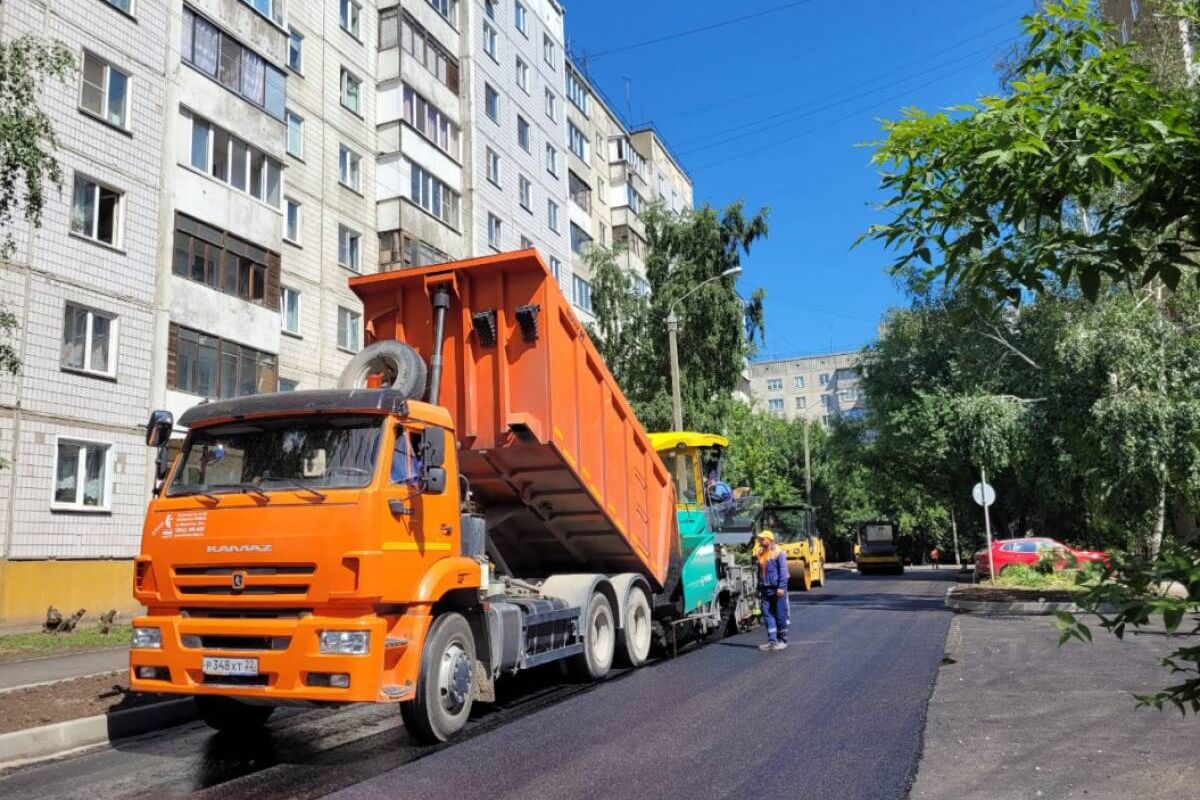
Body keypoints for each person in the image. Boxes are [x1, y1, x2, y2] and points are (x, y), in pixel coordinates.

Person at [756, 530, 789, 652]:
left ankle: (782, 640)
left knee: (780, 614)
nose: (760, 541)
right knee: (767, 614)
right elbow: (759, 573)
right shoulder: (761, 553)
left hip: (777, 589)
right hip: (765, 589)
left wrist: (781, 587)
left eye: (762, 539)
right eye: (759, 539)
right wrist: (758, 587)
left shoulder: (778, 553)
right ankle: (772, 641)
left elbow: (783, 572)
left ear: (769, 540)